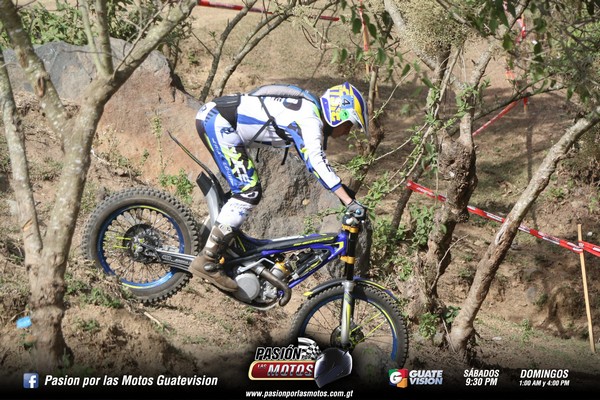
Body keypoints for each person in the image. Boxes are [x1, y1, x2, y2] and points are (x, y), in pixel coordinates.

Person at [191, 82, 368, 291]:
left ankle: (219, 239)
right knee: (248, 191)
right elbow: (316, 162)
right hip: (219, 122)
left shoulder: (308, 111)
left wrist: (342, 193)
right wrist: (349, 201)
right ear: (337, 115)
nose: (347, 131)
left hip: (218, 118)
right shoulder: (310, 119)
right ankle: (209, 260)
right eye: (349, 124)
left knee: (246, 189)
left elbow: (313, 163)